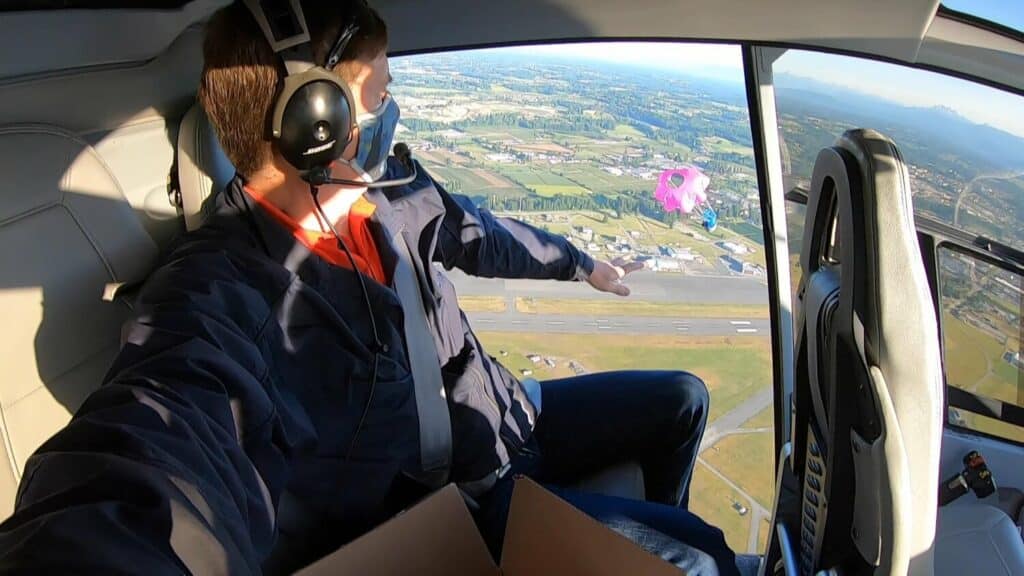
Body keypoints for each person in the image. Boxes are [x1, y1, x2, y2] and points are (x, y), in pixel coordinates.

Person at [0, 2, 738, 574]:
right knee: (699, 554)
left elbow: (478, 231)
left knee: (682, 399)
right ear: (314, 123)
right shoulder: (222, 290)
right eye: (378, 93)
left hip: (510, 413)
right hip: (456, 497)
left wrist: (582, 265)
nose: (390, 110)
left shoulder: (391, 194)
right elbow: (162, 437)